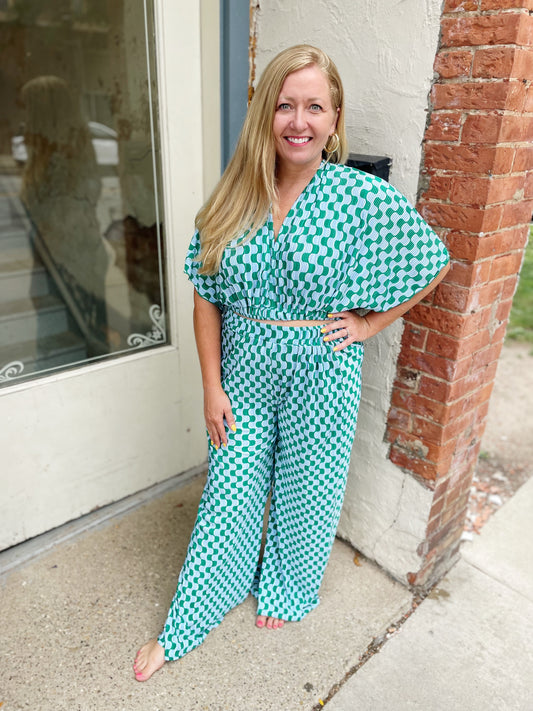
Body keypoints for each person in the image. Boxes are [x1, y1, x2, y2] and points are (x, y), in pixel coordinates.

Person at [133, 44, 449, 682]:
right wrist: (211, 387)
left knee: (310, 490)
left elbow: (431, 262)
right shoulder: (237, 194)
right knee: (231, 490)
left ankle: (289, 586)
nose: (298, 120)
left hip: (323, 371)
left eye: (314, 106)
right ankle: (196, 610)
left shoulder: (360, 196)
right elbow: (205, 292)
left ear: (333, 120)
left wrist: (371, 323)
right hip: (243, 372)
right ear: (265, 114)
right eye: (284, 105)